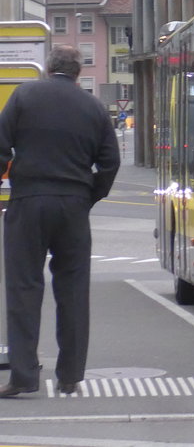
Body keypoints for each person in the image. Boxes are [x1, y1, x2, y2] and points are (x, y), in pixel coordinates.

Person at [0, 44, 120, 398]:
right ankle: (70, 375)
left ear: (48, 68)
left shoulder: (24, 96)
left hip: (29, 201)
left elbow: (1, 146)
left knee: (24, 289)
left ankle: (23, 376)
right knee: (72, 289)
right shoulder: (93, 107)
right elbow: (109, 162)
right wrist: (88, 196)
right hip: (73, 206)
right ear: (79, 72)